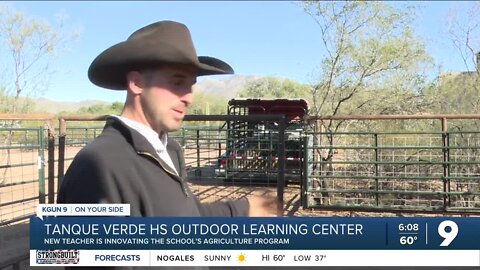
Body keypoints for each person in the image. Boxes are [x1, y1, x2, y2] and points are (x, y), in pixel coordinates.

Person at [57, 20, 280, 220]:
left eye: (191, 85)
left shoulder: (168, 150)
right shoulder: (98, 166)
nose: (189, 97)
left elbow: (187, 216)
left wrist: (244, 209)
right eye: (177, 82)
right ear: (137, 83)